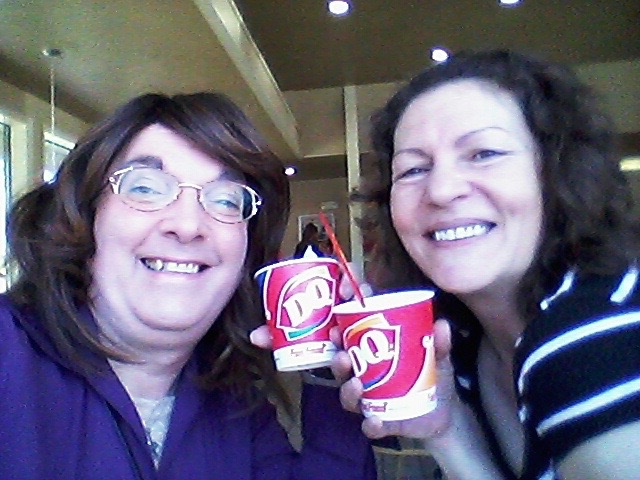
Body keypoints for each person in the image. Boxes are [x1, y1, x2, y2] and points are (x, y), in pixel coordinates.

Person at [0, 92, 375, 479]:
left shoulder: (236, 405)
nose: (188, 225)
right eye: (145, 188)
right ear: (84, 215)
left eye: (226, 200)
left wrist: (329, 367)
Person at [337, 50, 640, 479]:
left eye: (483, 153)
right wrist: (447, 432)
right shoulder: (462, 348)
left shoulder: (599, 332)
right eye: (413, 170)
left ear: (556, 172)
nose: (441, 190)